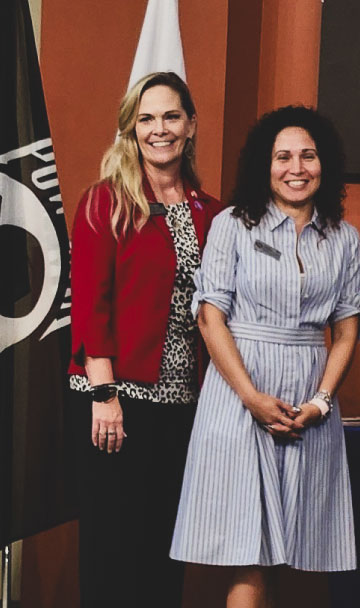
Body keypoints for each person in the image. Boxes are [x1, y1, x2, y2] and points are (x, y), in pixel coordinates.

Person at [170, 106, 360, 606]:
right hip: (239, 393)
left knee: (294, 554)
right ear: (265, 164)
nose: (296, 167)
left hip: (310, 403)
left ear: (326, 165)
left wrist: (321, 402)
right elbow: (210, 317)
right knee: (248, 551)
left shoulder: (344, 238)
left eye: (308, 155)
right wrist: (251, 397)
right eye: (283, 156)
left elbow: (347, 330)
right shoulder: (231, 225)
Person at [67, 71, 224, 607]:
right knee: (114, 553)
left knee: (164, 550)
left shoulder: (212, 211)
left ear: (191, 125)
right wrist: (104, 396)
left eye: (171, 116)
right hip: (117, 401)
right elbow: (92, 307)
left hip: (183, 406)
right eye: (147, 118)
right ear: (132, 130)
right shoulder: (104, 202)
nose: (160, 129)